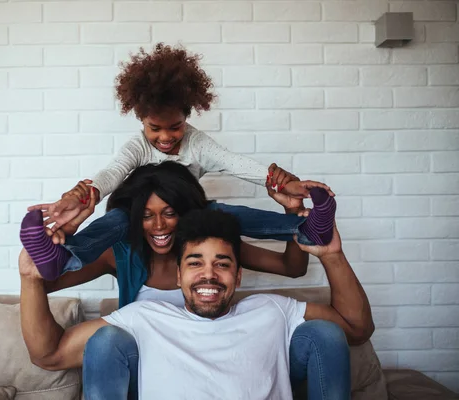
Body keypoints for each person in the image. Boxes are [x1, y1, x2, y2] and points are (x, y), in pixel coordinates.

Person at [20, 162, 352, 400]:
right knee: (104, 333)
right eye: (147, 215)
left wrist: (294, 218)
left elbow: (291, 267)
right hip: (153, 373)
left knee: (221, 214)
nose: (159, 226)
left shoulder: (213, 255)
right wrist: (62, 241)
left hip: (225, 363)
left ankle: (305, 227)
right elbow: (44, 282)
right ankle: (67, 250)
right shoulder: (121, 257)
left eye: (169, 213)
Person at [21, 43, 337, 282]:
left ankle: (308, 229)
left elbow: (233, 163)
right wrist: (77, 195)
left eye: (175, 126)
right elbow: (112, 174)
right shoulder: (137, 146)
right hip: (137, 213)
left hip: (190, 211)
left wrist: (285, 184)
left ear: (187, 116)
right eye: (154, 128)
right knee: (114, 222)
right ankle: (62, 258)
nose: (165, 137)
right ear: (140, 119)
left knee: (229, 216)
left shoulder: (197, 143)